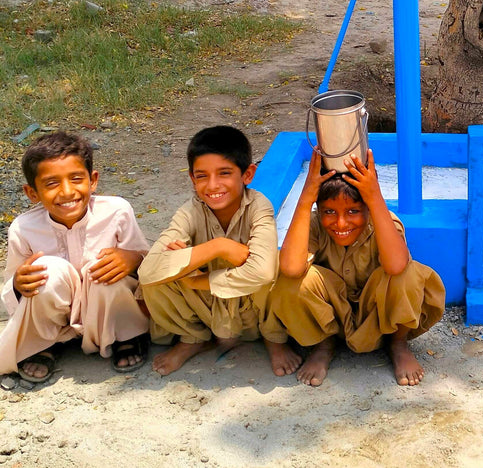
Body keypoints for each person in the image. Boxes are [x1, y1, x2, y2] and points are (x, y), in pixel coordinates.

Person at [261, 149, 445, 387]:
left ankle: (398, 344)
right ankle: (323, 345)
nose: (340, 223)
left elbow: (397, 265)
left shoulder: (383, 220)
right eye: (329, 211)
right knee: (289, 279)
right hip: (333, 319)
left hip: (378, 319)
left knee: (407, 274)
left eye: (353, 211)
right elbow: (291, 268)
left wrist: (374, 197)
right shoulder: (314, 225)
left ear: (368, 207)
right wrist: (306, 198)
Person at [0, 132, 150, 385]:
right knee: (46, 270)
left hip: (107, 311)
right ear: (32, 192)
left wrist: (133, 259)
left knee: (103, 269)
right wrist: (18, 283)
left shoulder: (117, 212)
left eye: (76, 179)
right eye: (51, 183)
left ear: (93, 180)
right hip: (56, 315)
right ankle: (47, 342)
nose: (67, 192)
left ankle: (125, 336)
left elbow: (148, 263)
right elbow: (11, 289)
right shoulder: (22, 229)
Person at [138, 126, 277, 376]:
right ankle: (194, 339)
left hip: (249, 309)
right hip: (205, 309)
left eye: (224, 173)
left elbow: (263, 272)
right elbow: (148, 272)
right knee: (153, 281)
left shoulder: (259, 207)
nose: (212, 186)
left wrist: (196, 279)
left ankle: (274, 340)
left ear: (248, 174)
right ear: (192, 178)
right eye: (202, 176)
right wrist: (218, 247)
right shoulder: (190, 212)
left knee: (276, 269)